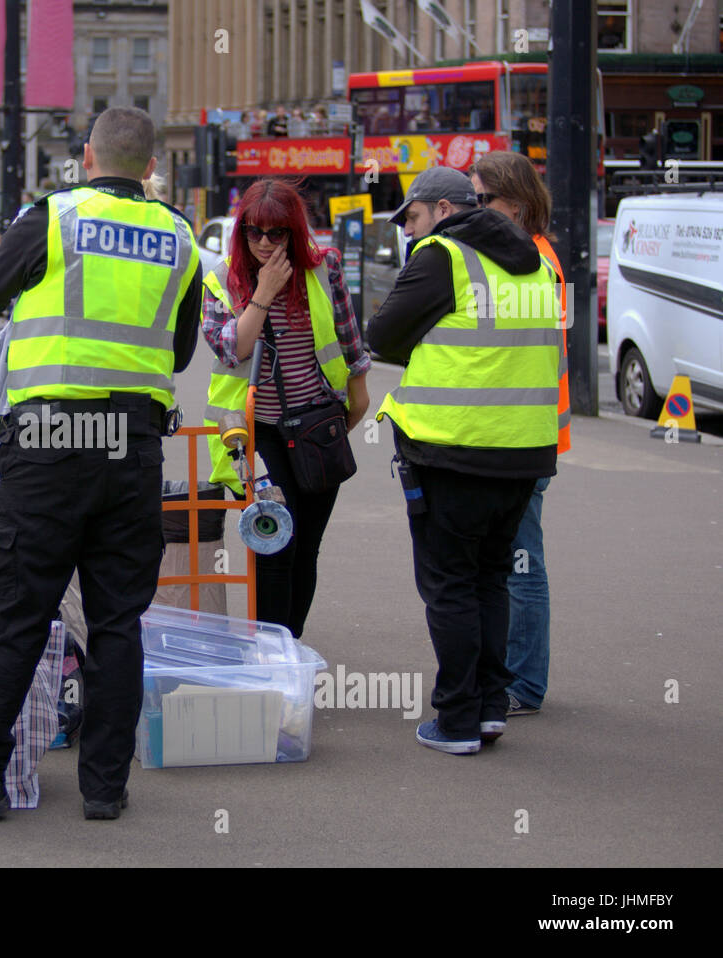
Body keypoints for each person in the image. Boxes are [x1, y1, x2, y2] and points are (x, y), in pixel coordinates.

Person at [0, 105, 203, 823]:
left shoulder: (55, 217)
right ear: (151, 166)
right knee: (119, 622)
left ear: (87, 154)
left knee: (14, 616)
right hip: (132, 447)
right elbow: (181, 353)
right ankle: (105, 788)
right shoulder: (181, 237)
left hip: (51, 445)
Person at [366, 166, 561, 755]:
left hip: (451, 448)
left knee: (449, 585)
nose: (412, 231)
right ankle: (490, 708)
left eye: (416, 217)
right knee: (491, 578)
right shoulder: (539, 263)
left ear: (446, 210)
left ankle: (455, 721)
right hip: (523, 451)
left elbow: (381, 334)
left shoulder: (442, 256)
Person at [200, 177, 370, 638]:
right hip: (259, 436)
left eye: (277, 233)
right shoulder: (221, 279)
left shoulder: (323, 268)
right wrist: (264, 292)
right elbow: (231, 348)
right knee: (275, 545)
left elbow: (351, 345)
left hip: (318, 426)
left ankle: (288, 648)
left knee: (306, 547)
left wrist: (352, 407)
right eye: (254, 231)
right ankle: (270, 660)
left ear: (294, 232)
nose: (264, 242)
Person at [468, 150, 570, 719]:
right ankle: (513, 672)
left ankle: (525, 683)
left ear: (517, 203)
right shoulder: (530, 256)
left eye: (484, 200)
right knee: (510, 561)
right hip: (521, 432)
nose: (476, 210)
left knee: (522, 563)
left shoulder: (534, 262)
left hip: (524, 435)